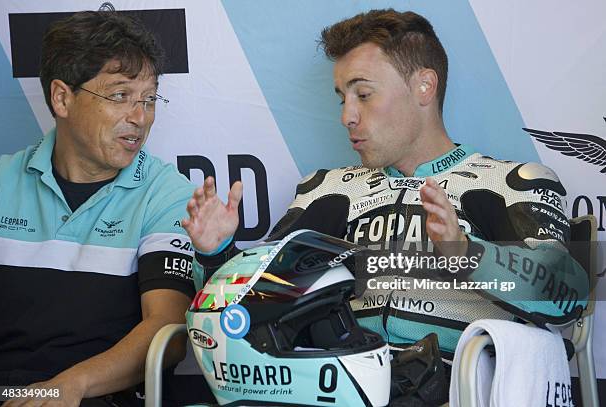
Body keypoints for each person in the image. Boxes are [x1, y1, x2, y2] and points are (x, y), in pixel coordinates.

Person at [182, 9, 589, 405]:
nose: (347, 115)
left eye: (363, 94)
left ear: (424, 87)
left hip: (456, 392)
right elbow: (249, 315)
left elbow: (567, 291)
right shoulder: (325, 190)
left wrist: (467, 254)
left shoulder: (511, 182)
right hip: (328, 392)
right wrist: (216, 254)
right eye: (342, 98)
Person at [0, 11, 197, 407]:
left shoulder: (167, 193)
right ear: (62, 98)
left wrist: (72, 386)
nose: (140, 118)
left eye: (149, 99)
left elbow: (167, 332)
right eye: (120, 95)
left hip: (100, 396)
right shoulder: (0, 181)